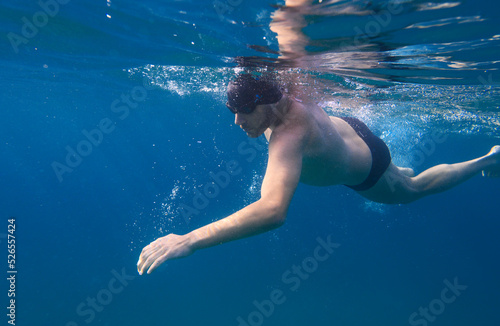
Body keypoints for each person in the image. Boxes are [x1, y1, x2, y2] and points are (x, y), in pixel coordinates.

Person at [137, 73, 500, 275]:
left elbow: (273, 211)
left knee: (412, 189)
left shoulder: (288, 137)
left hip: (365, 167)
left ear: (266, 102)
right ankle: (396, 169)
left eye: (244, 110)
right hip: (351, 129)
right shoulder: (282, 93)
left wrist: (190, 239)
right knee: (399, 174)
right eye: (231, 109)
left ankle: (489, 159)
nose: (237, 120)